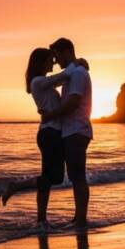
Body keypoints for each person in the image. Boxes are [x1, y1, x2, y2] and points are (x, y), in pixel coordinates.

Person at [2, 48, 88, 229]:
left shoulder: (43, 83)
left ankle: (41, 220)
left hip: (52, 133)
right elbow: (62, 76)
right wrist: (77, 62)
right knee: (53, 178)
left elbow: (63, 79)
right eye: (50, 60)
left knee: (48, 178)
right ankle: (16, 186)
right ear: (41, 62)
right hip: (49, 134)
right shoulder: (38, 81)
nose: (53, 63)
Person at [41, 37, 93, 229]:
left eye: (57, 56)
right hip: (73, 130)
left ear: (66, 52)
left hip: (76, 129)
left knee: (77, 176)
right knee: (75, 176)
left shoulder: (78, 74)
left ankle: (81, 219)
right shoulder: (73, 73)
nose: (56, 62)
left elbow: (73, 102)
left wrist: (50, 115)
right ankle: (78, 217)